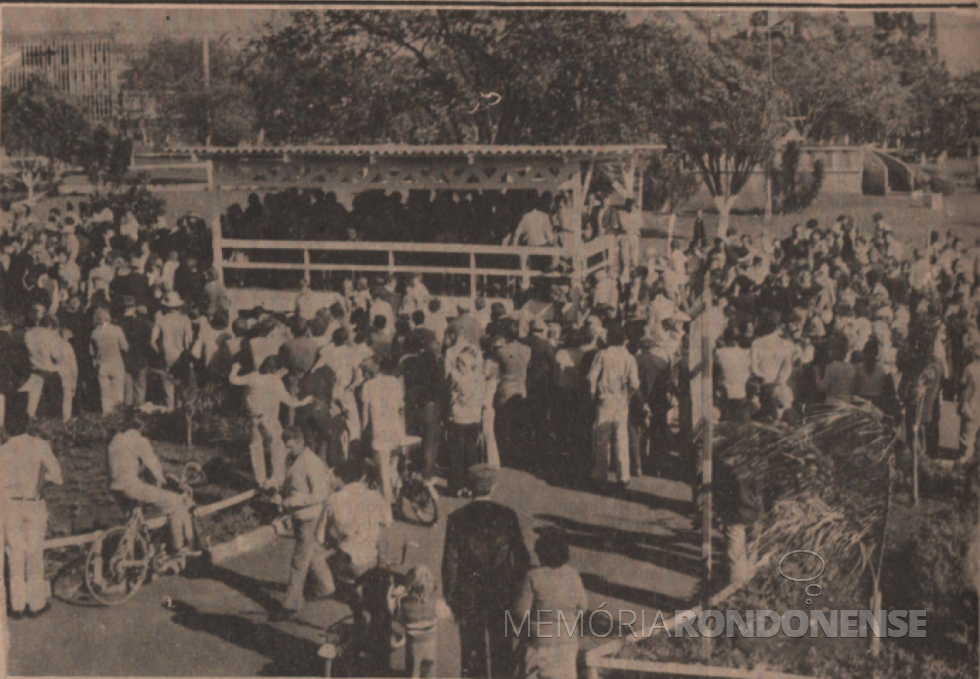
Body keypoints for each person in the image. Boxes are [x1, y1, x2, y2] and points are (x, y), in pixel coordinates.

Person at [442, 465, 530, 678]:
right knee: (502, 650)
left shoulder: (456, 518)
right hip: (501, 593)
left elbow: (450, 562)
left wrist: (451, 597)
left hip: (468, 594)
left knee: (471, 653)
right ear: (494, 486)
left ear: (470, 487)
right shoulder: (508, 516)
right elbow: (522, 559)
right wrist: (516, 589)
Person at [107, 410, 194, 564]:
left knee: (132, 521)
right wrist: (166, 482)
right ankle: (178, 550)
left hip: (114, 487)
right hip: (131, 486)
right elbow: (154, 467)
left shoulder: (116, 440)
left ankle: (129, 557)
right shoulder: (139, 440)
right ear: (142, 427)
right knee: (174, 501)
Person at [271, 426, 336, 621]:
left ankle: (290, 604)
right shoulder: (295, 459)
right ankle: (327, 586)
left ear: (301, 443)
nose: (287, 450)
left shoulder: (312, 463)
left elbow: (320, 494)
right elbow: (290, 483)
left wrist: (293, 501)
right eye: (286, 446)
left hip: (309, 517)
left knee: (299, 562)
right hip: (299, 518)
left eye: (290, 447)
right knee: (311, 552)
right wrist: (277, 490)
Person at [0, 416, 63, 618]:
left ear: (7, 428)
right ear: (27, 425)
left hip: (11, 505)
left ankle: (17, 606)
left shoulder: (4, 449)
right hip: (34, 503)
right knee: (34, 553)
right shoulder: (39, 445)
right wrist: (41, 485)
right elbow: (57, 475)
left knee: (15, 554)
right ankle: (36, 604)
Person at [513, 529, 589, 679]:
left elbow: (521, 612)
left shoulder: (533, 576)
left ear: (540, 553)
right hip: (567, 641)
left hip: (540, 642)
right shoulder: (573, 575)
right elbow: (583, 606)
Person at [229, 358, 312, 490]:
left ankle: (260, 481)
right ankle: (277, 480)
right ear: (275, 370)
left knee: (256, 448)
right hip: (270, 420)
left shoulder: (253, 377)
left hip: (254, 419)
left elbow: (233, 379)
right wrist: (305, 401)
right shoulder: (276, 381)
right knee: (277, 448)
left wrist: (235, 367)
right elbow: (290, 401)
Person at [587, 323, 640, 488]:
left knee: (602, 438)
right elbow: (635, 383)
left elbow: (591, 378)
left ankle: (601, 474)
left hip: (605, 399)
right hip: (621, 400)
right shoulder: (629, 357)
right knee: (621, 438)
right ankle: (623, 476)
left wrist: (592, 394)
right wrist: (627, 395)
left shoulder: (602, 354)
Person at [360, 356, 406, 504]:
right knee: (393, 469)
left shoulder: (368, 386)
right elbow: (400, 408)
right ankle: (400, 498)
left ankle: (387, 508)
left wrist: (364, 433)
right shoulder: (394, 382)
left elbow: (365, 415)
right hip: (396, 430)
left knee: (383, 473)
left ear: (367, 373)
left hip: (380, 432)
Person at [446, 346, 485, 496]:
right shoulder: (479, 377)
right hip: (474, 418)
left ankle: (457, 486)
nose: (457, 366)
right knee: (472, 452)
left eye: (460, 363)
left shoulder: (455, 377)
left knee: (456, 453)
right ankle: (472, 486)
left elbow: (451, 397)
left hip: (458, 418)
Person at [152, 291, 194, 412]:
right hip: (180, 356)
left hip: (167, 356)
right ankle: (181, 415)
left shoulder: (161, 320)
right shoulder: (185, 320)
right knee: (182, 390)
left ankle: (170, 414)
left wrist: (159, 352)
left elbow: (152, 340)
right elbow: (188, 341)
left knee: (168, 391)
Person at [90, 307, 129, 415]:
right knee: (118, 394)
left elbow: (92, 352)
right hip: (116, 364)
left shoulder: (94, 333)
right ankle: (118, 416)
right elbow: (125, 347)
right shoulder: (117, 330)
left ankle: (107, 417)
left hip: (102, 365)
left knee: (105, 394)